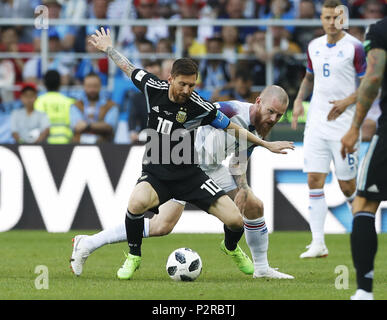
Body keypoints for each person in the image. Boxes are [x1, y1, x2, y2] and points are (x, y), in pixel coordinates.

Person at [87, 27, 294, 280]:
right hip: (186, 163)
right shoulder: (228, 109)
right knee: (160, 226)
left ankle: (258, 266)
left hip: (212, 168)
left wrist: (242, 187)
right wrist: (108, 47)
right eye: (272, 112)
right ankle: (90, 244)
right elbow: (129, 68)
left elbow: (239, 160)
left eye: (279, 116)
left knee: (252, 205)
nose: (274, 118)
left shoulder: (258, 128)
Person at [291, 0, 367, 259]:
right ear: (321, 19)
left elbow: (368, 84)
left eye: (336, 17)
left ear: (343, 19)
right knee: (314, 179)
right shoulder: (314, 46)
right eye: (327, 17)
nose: (331, 22)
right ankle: (318, 243)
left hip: (345, 125)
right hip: (317, 123)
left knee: (347, 186)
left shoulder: (355, 48)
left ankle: (362, 228)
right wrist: (300, 100)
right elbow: (310, 76)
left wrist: (347, 101)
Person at [340, 17, 387, 301]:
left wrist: (355, 126)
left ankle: (364, 291)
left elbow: (373, 76)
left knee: (365, 204)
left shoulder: (381, 30)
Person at [70, 73, 119, 143]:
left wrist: (88, 126)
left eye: (95, 86)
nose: (92, 89)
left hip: (105, 148)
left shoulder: (111, 105)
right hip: (80, 147)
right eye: (89, 86)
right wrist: (99, 126)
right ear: (84, 86)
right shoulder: (76, 105)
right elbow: (77, 126)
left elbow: (109, 127)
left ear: (100, 86)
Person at [34, 70, 75, 144]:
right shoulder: (69, 101)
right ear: (60, 83)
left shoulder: (38, 101)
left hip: (45, 145)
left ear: (44, 84)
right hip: (66, 144)